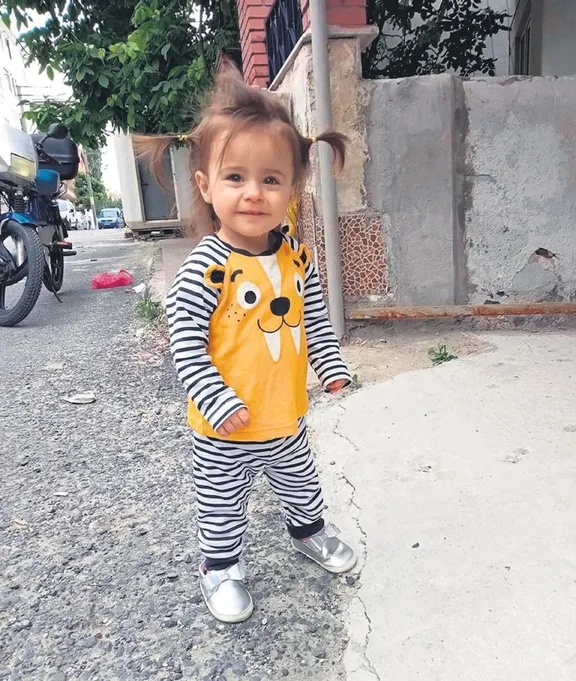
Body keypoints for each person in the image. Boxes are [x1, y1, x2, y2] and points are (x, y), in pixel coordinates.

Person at [135, 68, 356, 624]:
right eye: (235, 177)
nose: (254, 193)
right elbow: (186, 344)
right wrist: (216, 400)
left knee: (302, 483)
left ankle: (308, 532)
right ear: (206, 185)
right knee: (221, 505)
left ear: (293, 189)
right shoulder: (204, 268)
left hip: (284, 413)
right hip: (224, 429)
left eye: (271, 179)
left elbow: (313, 320)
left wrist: (330, 365)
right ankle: (220, 567)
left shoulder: (296, 258)